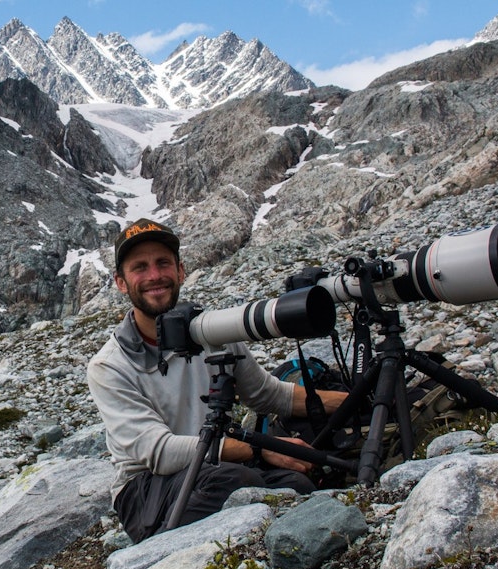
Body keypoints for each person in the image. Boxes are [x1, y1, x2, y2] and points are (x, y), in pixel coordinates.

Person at [87, 218, 347, 542]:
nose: (154, 276)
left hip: (219, 466)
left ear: (180, 271)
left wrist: (354, 401)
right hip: (147, 487)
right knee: (234, 481)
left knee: (297, 484)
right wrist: (261, 450)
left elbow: (268, 394)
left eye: (163, 263)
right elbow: (159, 452)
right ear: (121, 282)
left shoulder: (212, 331)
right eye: (140, 267)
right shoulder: (109, 366)